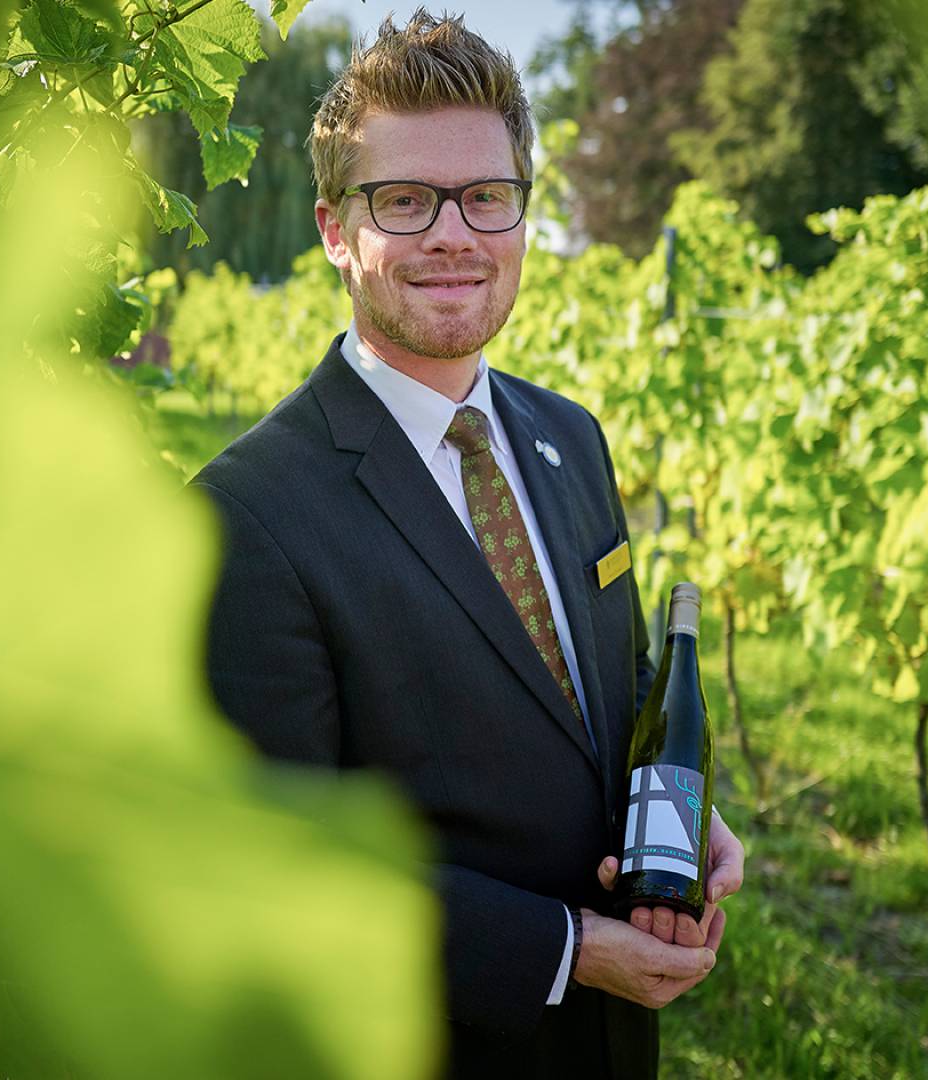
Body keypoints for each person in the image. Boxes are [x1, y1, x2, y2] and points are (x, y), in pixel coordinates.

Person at [193, 10, 745, 1076]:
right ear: (333, 230)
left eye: (487, 197)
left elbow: (616, 694)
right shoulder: (246, 515)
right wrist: (571, 949)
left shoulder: (569, 437)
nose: (455, 233)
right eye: (405, 200)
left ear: (522, 214)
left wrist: (682, 819)